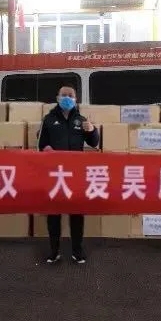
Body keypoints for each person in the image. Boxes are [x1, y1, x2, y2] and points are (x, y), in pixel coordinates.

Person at [37, 84, 99, 264]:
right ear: (57, 97)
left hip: (76, 175)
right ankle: (54, 251)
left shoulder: (81, 120)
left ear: (75, 99)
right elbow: (41, 144)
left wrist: (92, 130)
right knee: (54, 215)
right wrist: (46, 149)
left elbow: (94, 143)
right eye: (63, 95)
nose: (67, 98)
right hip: (55, 174)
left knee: (77, 214)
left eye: (70, 95)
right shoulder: (48, 120)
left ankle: (77, 251)